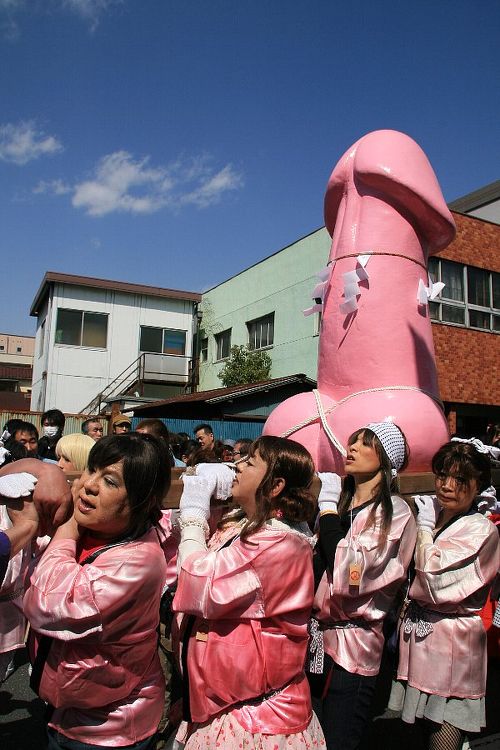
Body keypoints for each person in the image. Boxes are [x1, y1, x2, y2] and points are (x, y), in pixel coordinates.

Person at [172, 435, 326, 749]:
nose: (237, 467)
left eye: (250, 462)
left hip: (256, 716)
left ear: (275, 486)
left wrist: (194, 514)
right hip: (228, 701)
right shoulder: (250, 523)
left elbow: (200, 583)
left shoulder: (277, 541)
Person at [23, 433, 171, 749]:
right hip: (70, 710)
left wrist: (67, 529)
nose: (89, 485)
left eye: (110, 482)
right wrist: (47, 471)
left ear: (143, 501)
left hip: (108, 726)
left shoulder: (137, 560)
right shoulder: (98, 531)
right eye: (91, 469)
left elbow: (47, 606)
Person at [387, 438, 500, 750]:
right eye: (442, 476)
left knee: (445, 734)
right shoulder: (437, 517)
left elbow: (435, 581)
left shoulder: (481, 529)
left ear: (479, 485)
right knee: (419, 733)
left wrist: (422, 531)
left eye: (461, 480)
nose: (448, 486)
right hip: (424, 641)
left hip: (454, 648)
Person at [310, 421, 417, 750]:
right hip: (315, 641)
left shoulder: (395, 514)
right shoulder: (341, 505)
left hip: (354, 646)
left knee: (340, 738)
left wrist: (327, 511)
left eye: (364, 443)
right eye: (351, 441)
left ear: (386, 458)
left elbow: (350, 575)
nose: (351, 448)